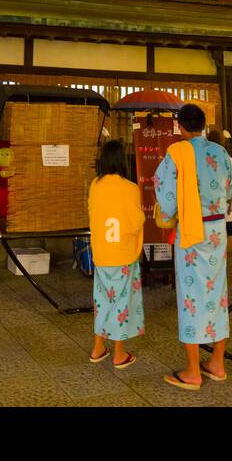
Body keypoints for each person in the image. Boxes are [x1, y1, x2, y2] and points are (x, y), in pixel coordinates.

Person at [154, 104, 232, 390]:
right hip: (217, 230)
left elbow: (165, 193)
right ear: (203, 124)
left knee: (191, 296)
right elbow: (227, 190)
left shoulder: (177, 153)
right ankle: (217, 364)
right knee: (217, 293)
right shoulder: (220, 152)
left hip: (191, 230)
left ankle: (192, 371)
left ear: (180, 127)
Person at [87, 140, 145, 369]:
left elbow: (93, 213)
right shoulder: (131, 188)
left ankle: (98, 346)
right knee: (121, 302)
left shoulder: (95, 185)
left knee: (101, 300)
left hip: (102, 252)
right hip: (123, 254)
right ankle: (119, 354)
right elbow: (135, 221)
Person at [207, 128, 232, 294]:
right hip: (230, 208)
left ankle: (215, 282)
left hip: (215, 208)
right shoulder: (229, 160)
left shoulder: (207, 160)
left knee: (215, 246)